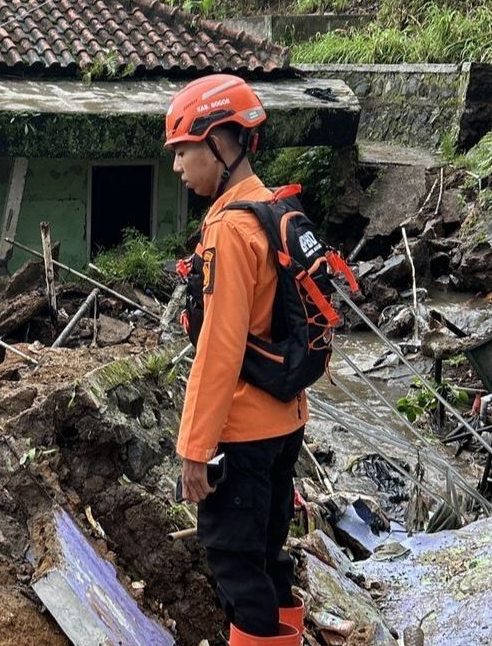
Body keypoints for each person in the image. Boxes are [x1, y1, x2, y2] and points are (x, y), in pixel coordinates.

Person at [166, 75, 307, 646]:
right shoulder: (271, 210)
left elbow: (219, 350)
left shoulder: (228, 229)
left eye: (183, 151)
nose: (177, 167)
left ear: (221, 142)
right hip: (286, 422)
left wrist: (194, 450)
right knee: (267, 556)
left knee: (234, 566)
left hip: (243, 434)